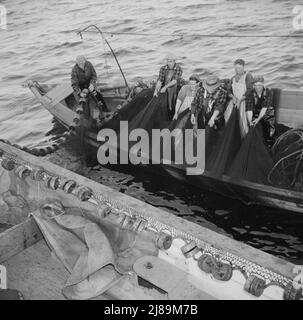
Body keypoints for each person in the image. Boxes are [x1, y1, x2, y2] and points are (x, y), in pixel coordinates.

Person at [225, 59, 254, 138]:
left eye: (240, 68)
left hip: (244, 100)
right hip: (234, 100)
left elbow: (250, 90)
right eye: (236, 68)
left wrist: (240, 100)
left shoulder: (248, 76)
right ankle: (232, 136)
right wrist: (233, 97)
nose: (238, 70)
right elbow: (228, 91)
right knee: (227, 116)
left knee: (243, 121)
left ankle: (244, 138)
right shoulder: (233, 78)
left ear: (244, 67)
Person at [246, 76, 275, 147]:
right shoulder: (250, 93)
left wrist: (258, 119)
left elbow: (264, 108)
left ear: (263, 84)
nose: (257, 87)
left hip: (268, 113)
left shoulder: (269, 92)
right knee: (252, 126)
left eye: (259, 85)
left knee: (269, 131)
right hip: (255, 112)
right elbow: (249, 109)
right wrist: (250, 121)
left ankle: (270, 143)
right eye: (255, 85)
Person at [153, 54, 183, 119]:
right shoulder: (163, 68)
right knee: (162, 102)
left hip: (176, 87)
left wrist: (165, 87)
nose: (170, 63)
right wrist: (156, 90)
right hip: (166, 87)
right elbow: (160, 80)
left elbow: (175, 81)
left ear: (174, 61)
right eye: (168, 61)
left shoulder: (178, 68)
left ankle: (174, 114)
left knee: (174, 102)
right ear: (166, 61)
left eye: (171, 61)